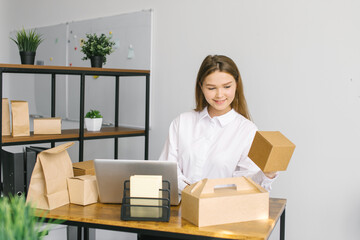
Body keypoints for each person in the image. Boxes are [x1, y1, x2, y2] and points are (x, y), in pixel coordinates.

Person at [159, 55, 277, 193]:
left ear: (236, 85)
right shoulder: (182, 122)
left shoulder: (247, 130)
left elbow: (247, 184)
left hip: (223, 209)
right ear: (201, 87)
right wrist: (190, 191)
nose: (220, 95)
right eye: (211, 88)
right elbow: (167, 169)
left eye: (227, 86)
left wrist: (268, 174)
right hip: (181, 207)